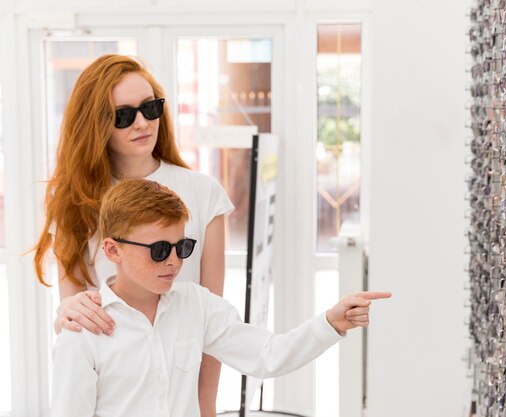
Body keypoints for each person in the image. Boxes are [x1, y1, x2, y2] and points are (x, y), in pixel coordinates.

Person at [50, 179, 391, 417]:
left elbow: (268, 356)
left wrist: (330, 322)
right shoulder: (82, 331)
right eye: (159, 250)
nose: (174, 261)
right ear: (113, 250)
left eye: (182, 247)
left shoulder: (196, 305)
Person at [33, 54, 233, 416]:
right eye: (123, 116)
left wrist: (207, 408)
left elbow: (210, 328)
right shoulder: (73, 201)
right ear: (97, 124)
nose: (142, 123)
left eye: (150, 108)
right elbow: (73, 316)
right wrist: (64, 312)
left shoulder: (204, 194)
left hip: (179, 396)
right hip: (110, 392)